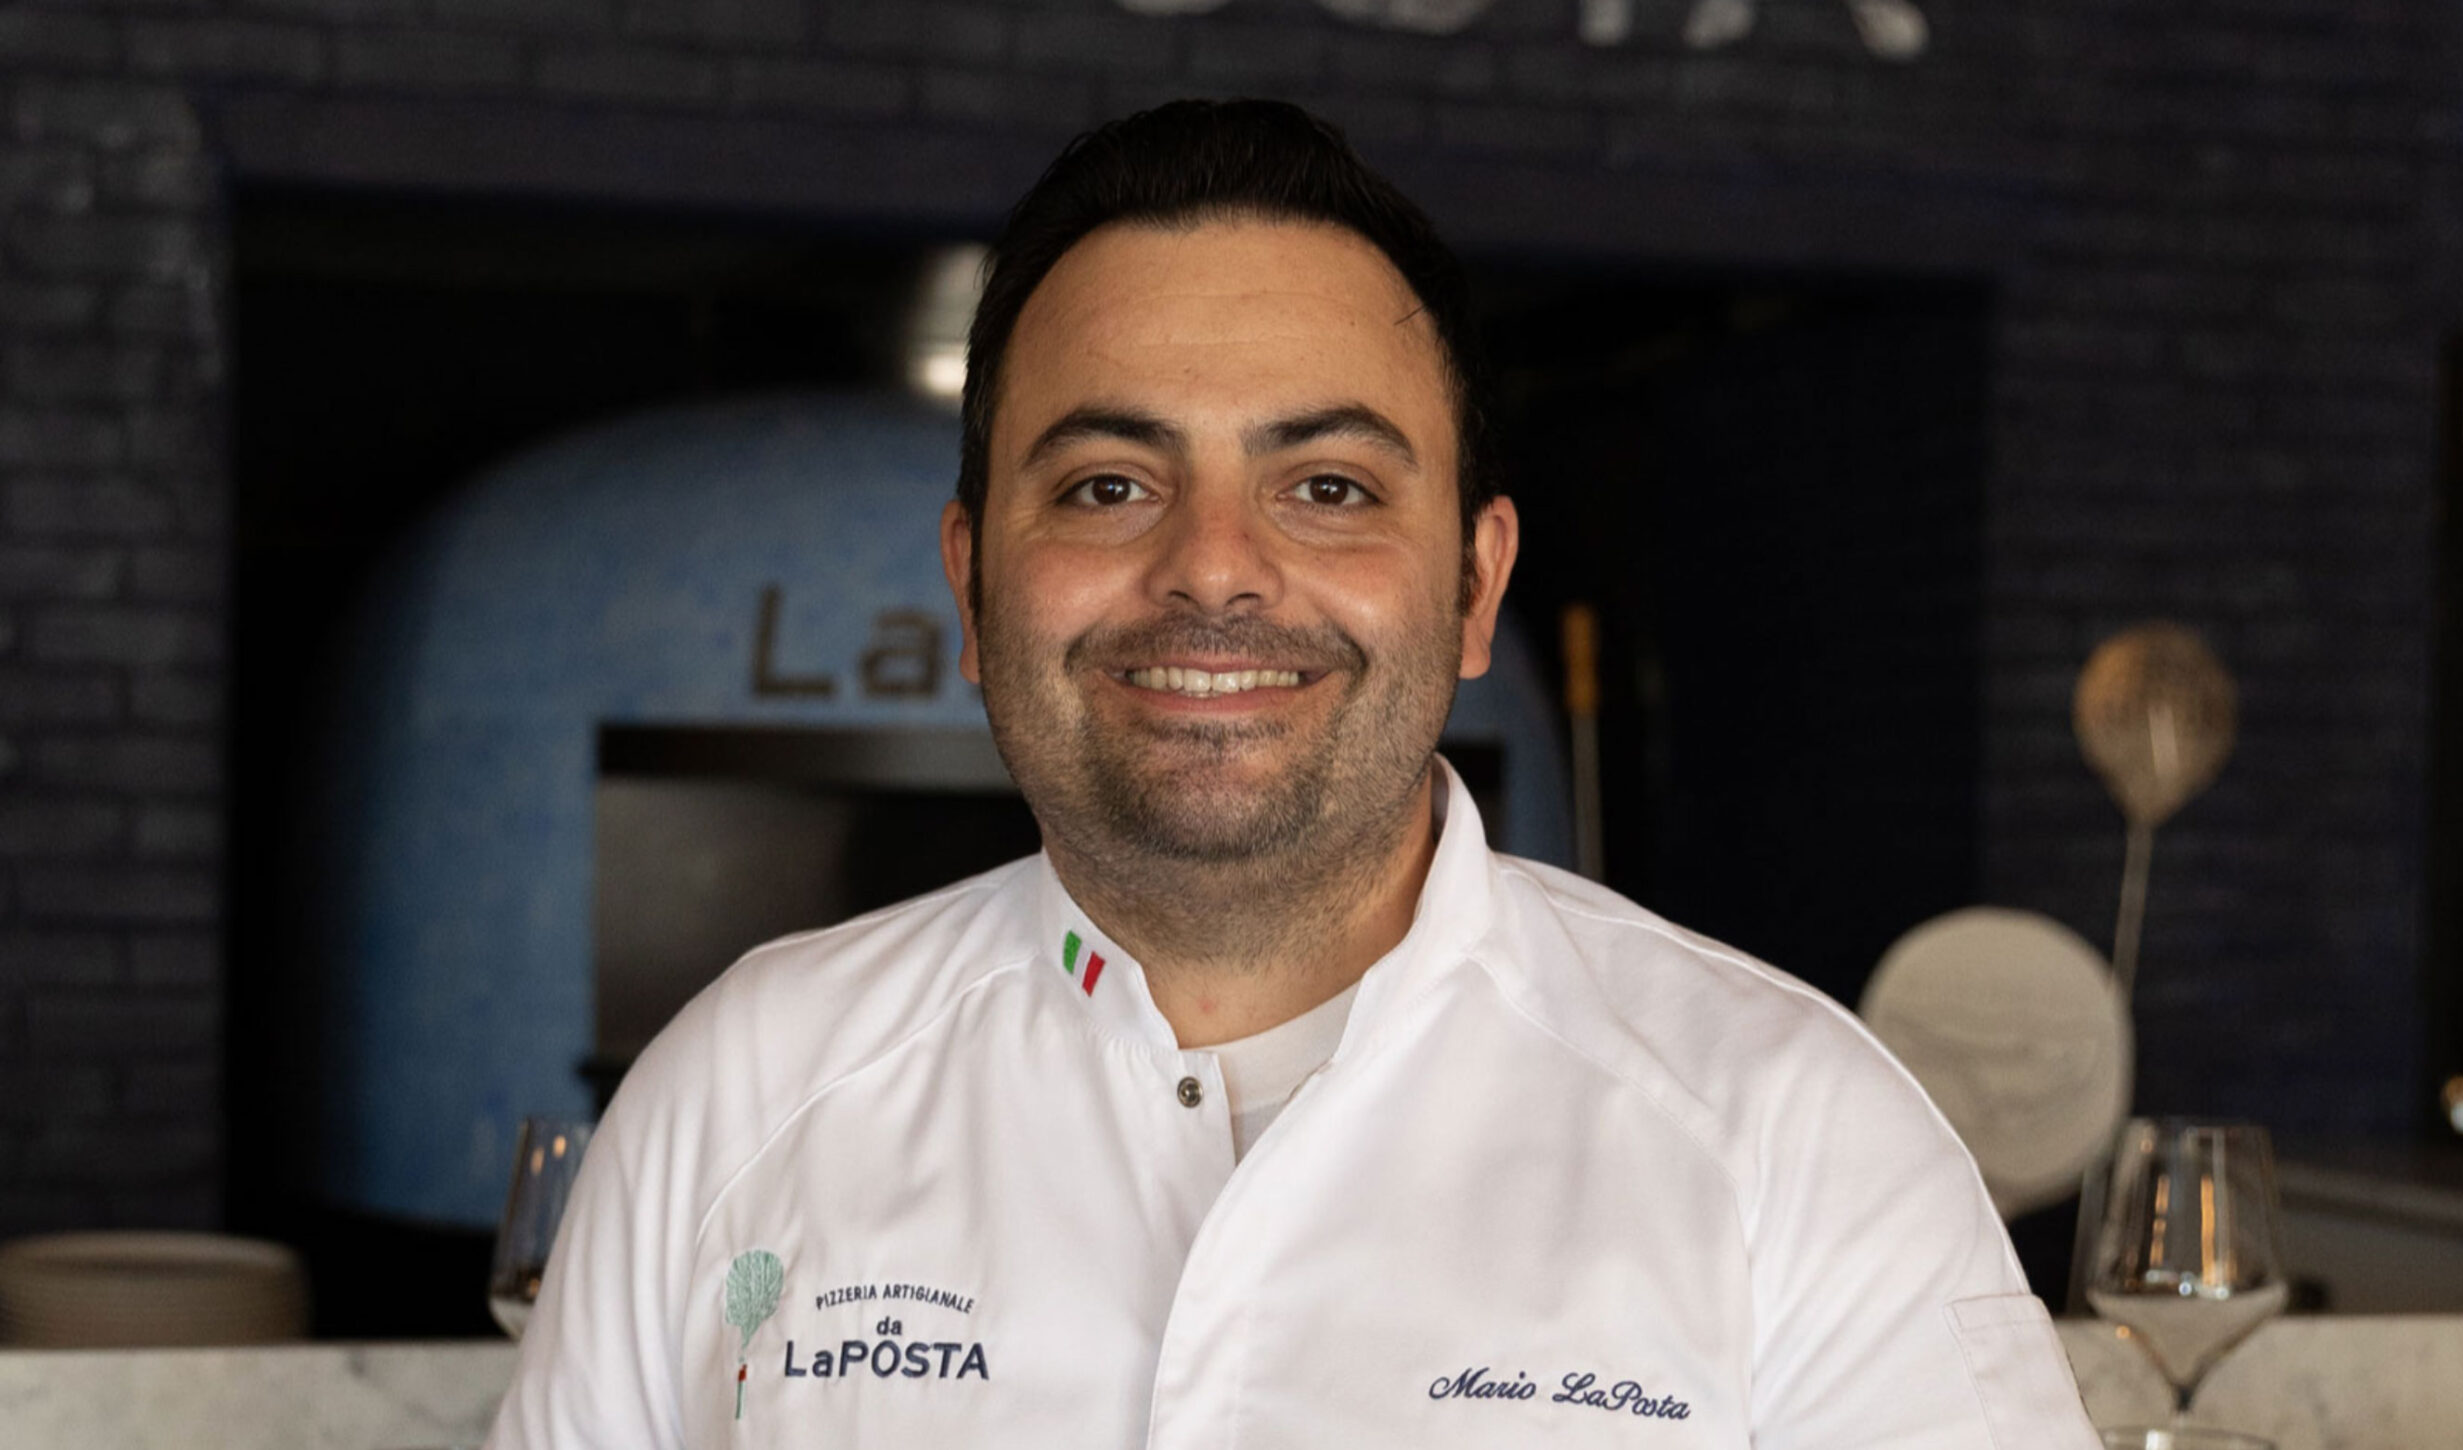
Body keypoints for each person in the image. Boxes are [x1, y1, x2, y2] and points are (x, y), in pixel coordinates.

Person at [489, 99, 2099, 1449]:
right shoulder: (736, 1100)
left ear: (1473, 588)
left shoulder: (1797, 1141)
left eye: (1326, 484)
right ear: (972, 588)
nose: (1213, 571)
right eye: (1111, 482)